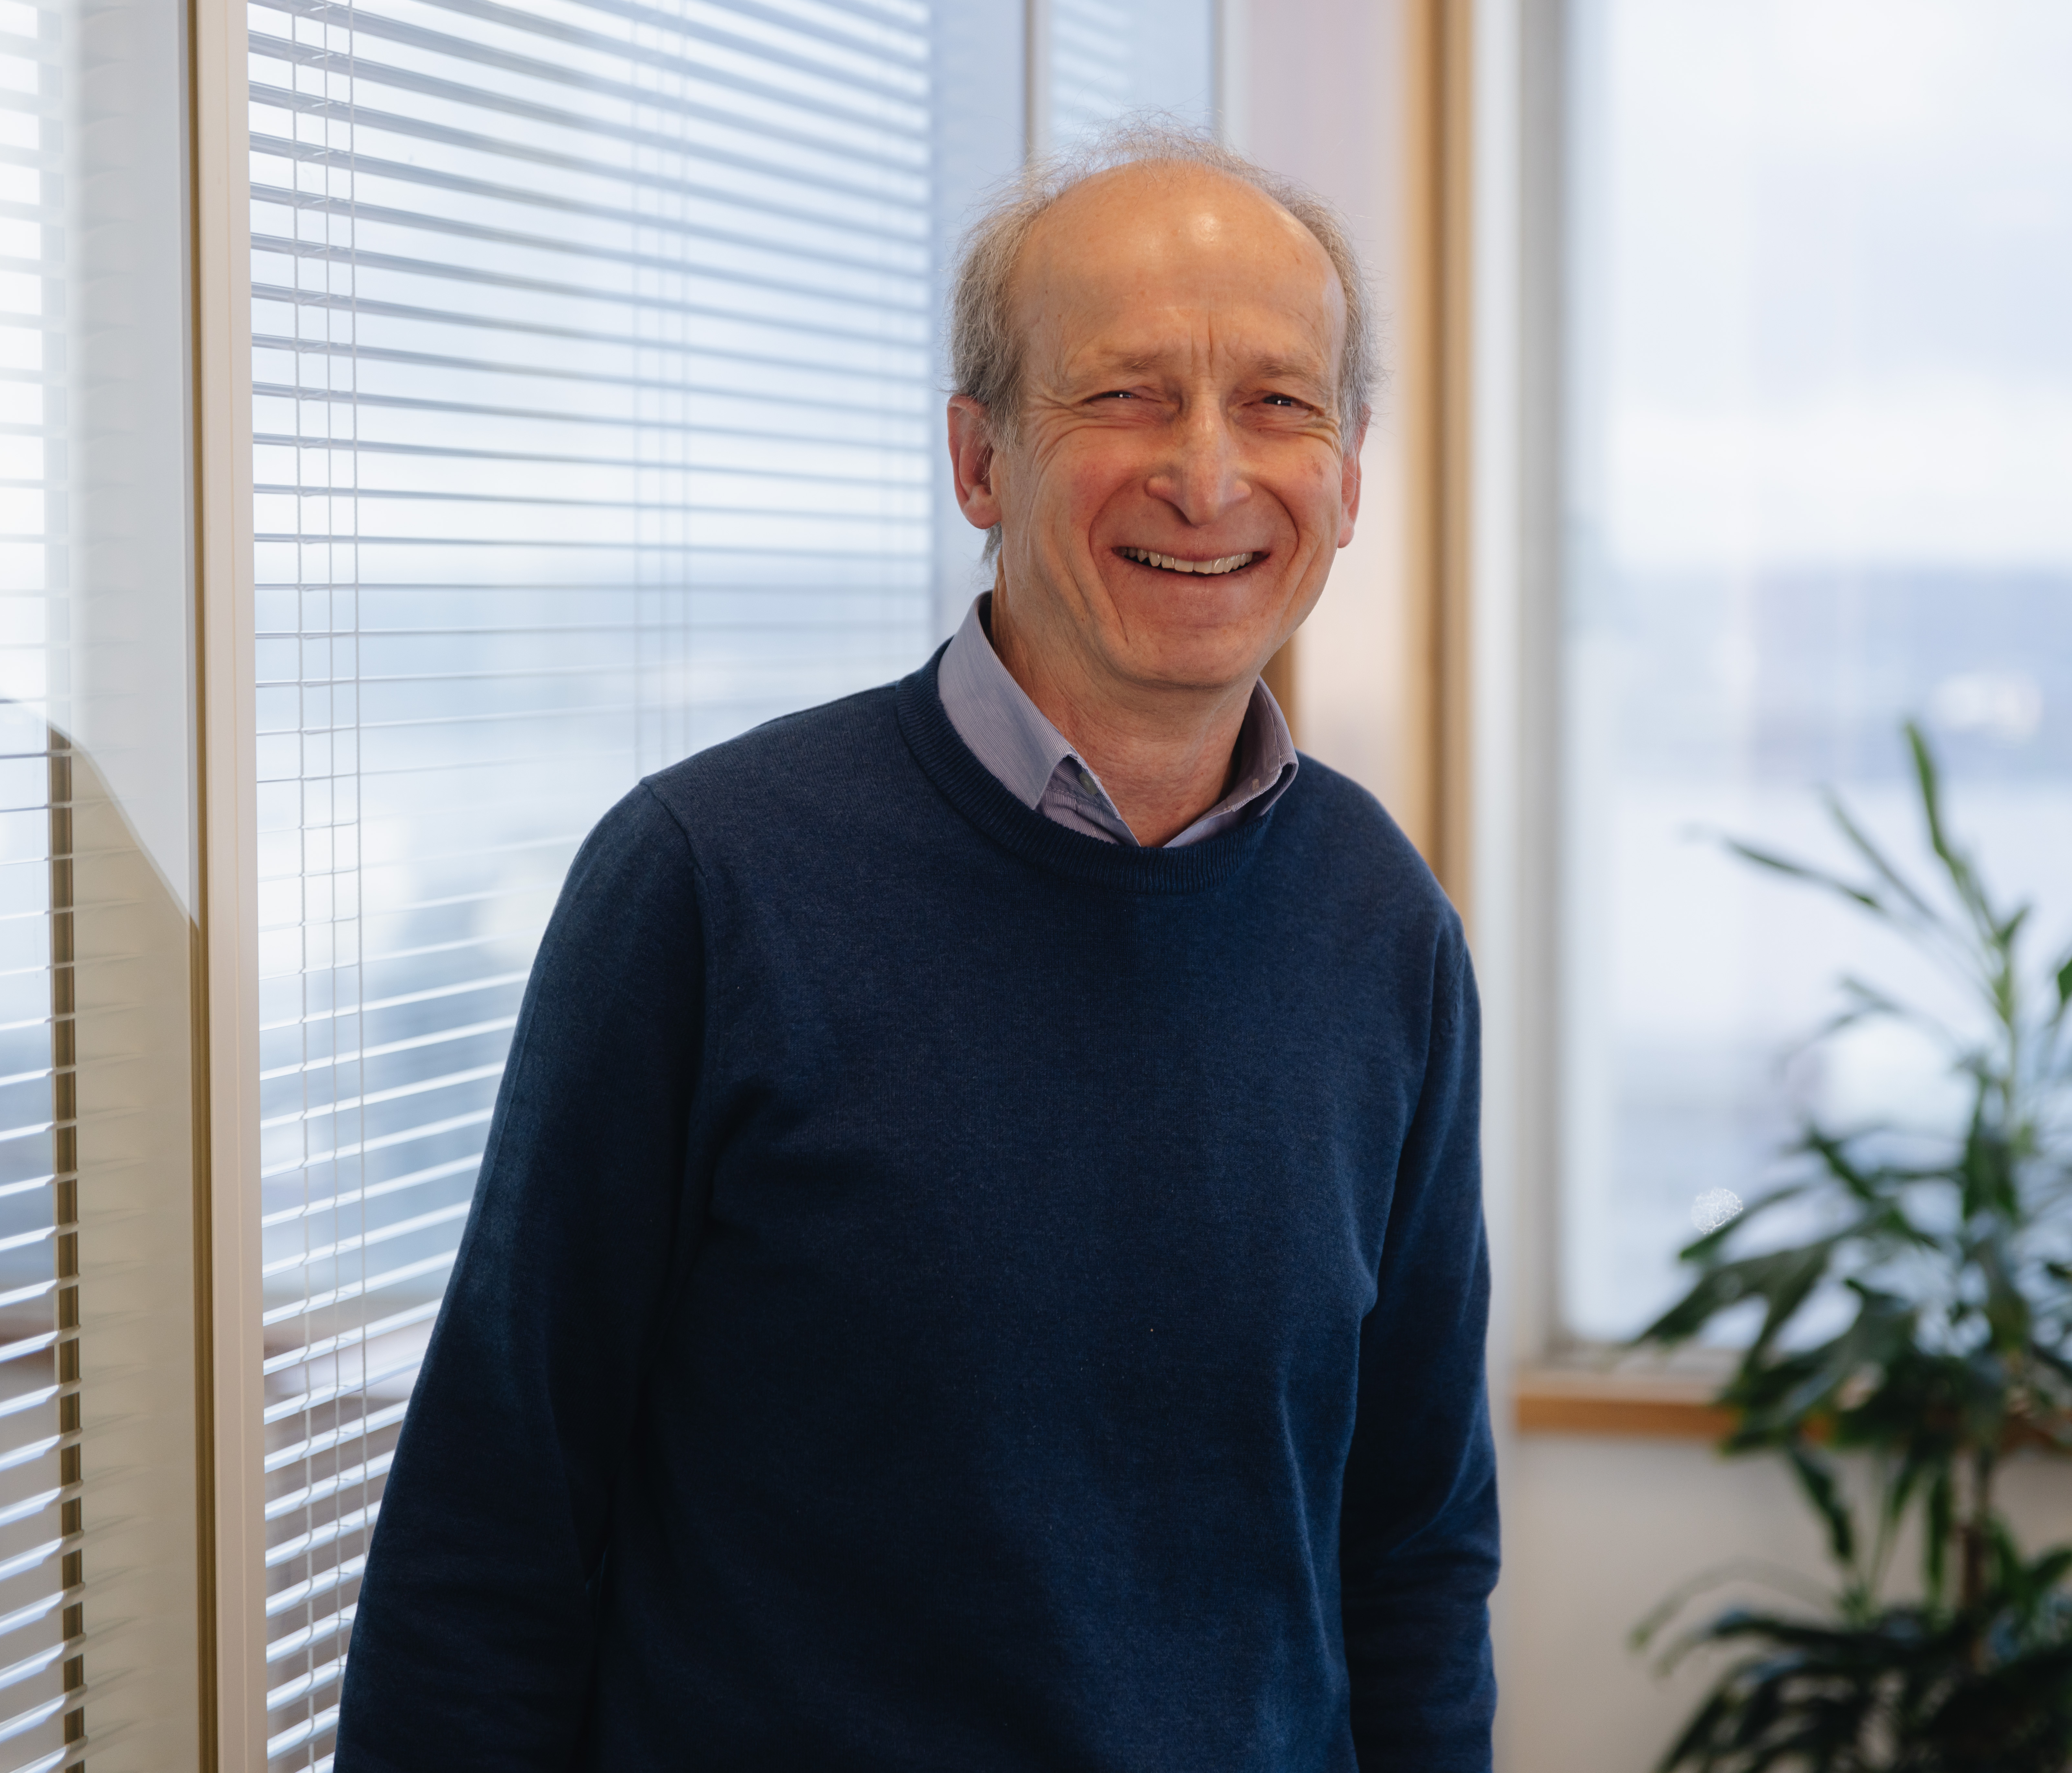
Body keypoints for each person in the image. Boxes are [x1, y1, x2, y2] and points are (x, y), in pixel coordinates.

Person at [335, 124, 1497, 1772]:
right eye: (1124, 394)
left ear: (1350, 473)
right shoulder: (704, 884)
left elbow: (1412, 1550)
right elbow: (492, 1532)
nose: (1210, 475)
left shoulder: (1382, 926)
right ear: (979, 459)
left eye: (1277, 403)